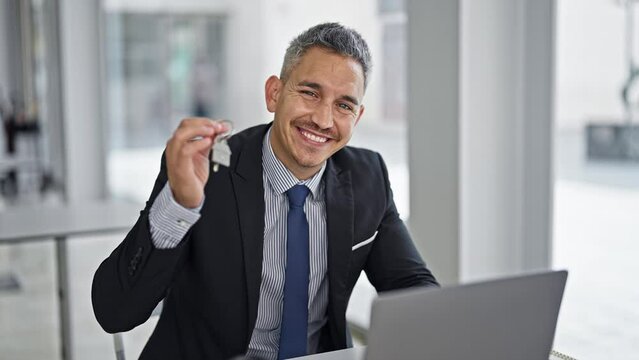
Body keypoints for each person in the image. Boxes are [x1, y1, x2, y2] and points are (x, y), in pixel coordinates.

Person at [92, 22, 438, 360]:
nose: (322, 120)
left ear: (357, 118)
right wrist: (180, 206)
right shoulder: (205, 170)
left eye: (343, 105)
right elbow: (115, 312)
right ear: (274, 93)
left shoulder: (367, 176)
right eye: (310, 92)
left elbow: (412, 287)